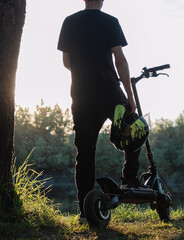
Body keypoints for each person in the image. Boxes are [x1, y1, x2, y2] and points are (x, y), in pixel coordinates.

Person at [57, 0, 143, 221]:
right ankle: (129, 179)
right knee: (135, 127)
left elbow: (66, 62)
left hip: (82, 95)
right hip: (109, 93)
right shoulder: (110, 22)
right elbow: (120, 60)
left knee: (85, 152)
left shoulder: (69, 22)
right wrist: (129, 95)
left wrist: (84, 70)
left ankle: (85, 212)